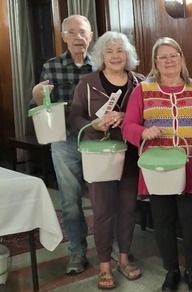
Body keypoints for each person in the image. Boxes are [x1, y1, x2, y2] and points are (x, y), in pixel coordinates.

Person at [121, 37, 192, 292]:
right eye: (163, 57)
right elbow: (128, 125)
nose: (169, 61)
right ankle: (171, 271)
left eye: (174, 55)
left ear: (181, 59)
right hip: (157, 168)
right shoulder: (143, 90)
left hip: (191, 165)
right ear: (155, 62)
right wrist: (142, 132)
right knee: (163, 220)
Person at [68, 31, 144, 289]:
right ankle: (104, 264)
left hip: (131, 155)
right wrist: (94, 124)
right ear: (101, 56)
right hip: (99, 155)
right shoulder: (87, 83)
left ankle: (124, 258)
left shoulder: (140, 82)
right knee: (101, 212)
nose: (115, 56)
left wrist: (127, 117)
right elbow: (74, 118)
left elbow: (148, 116)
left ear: (128, 55)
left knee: (128, 209)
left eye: (120, 51)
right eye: (109, 51)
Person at [29, 14, 95, 275]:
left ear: (91, 36)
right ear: (63, 36)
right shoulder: (52, 66)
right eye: (73, 32)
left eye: (84, 32)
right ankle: (77, 251)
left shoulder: (101, 64)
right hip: (64, 140)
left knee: (103, 198)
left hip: (96, 140)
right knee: (69, 201)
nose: (79, 37)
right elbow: (39, 107)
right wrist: (36, 98)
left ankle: (111, 248)